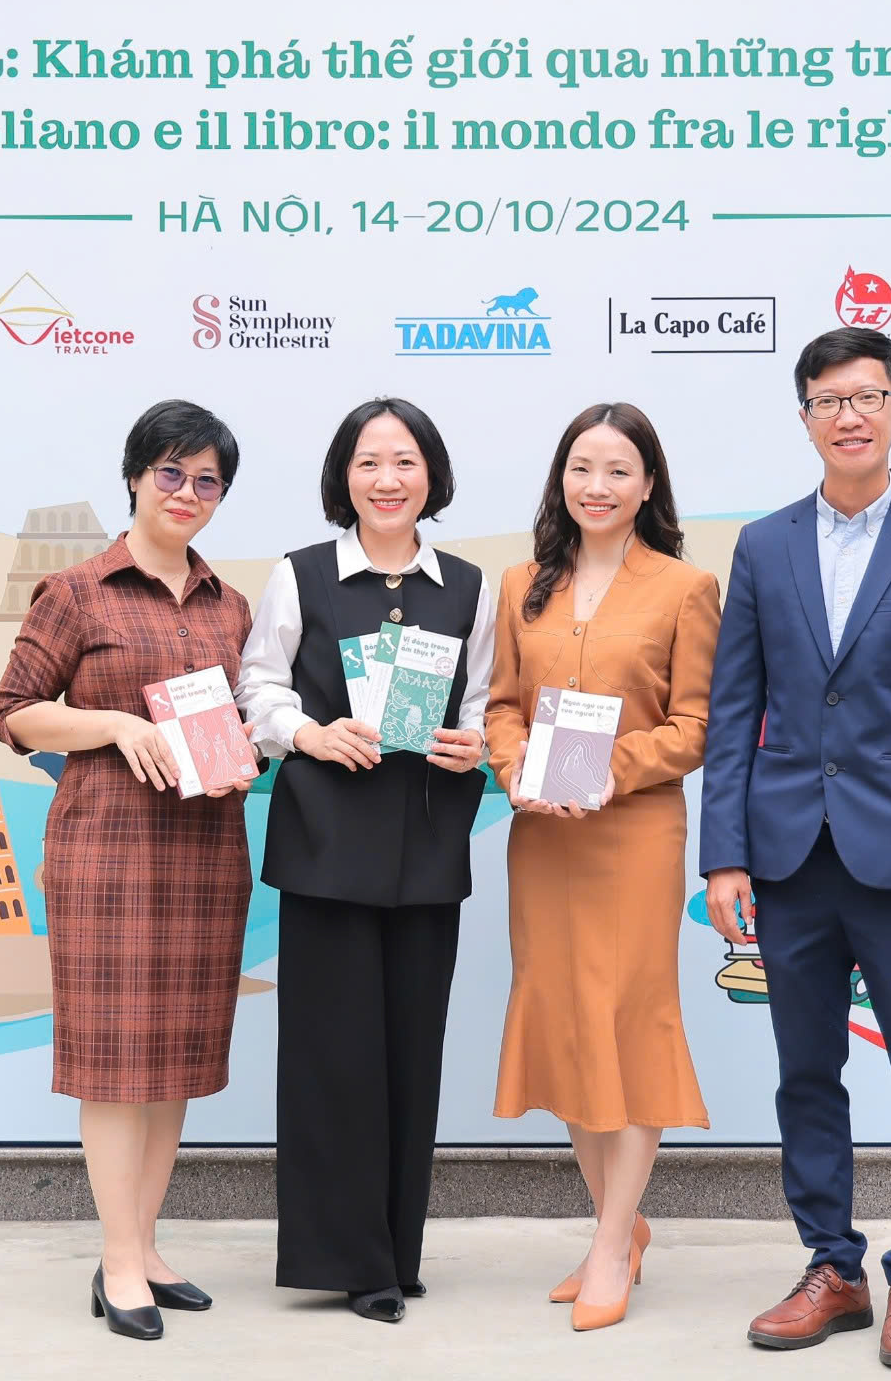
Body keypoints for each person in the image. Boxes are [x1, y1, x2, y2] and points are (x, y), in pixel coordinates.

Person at [700, 328, 891, 1370]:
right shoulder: (763, 545)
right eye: (829, 400)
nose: (850, 416)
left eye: (868, 397)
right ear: (805, 420)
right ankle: (833, 1267)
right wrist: (724, 855)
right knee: (805, 1074)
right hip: (788, 858)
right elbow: (733, 710)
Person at [0, 401, 258, 1343]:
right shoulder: (77, 592)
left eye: (207, 481)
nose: (187, 493)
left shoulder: (231, 604)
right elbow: (13, 712)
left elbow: (238, 715)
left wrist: (247, 747)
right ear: (137, 477)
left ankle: (145, 1245)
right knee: (113, 1065)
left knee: (175, 1059)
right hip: (107, 851)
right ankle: (115, 1262)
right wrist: (113, 724)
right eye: (170, 474)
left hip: (206, 850)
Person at [235, 398, 492, 1323]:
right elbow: (256, 685)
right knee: (331, 1058)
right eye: (369, 462)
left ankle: (395, 1251)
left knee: (412, 1057)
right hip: (326, 849)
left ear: (432, 475)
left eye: (406, 461)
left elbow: (484, 698)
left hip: (426, 850)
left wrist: (474, 741)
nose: (388, 479)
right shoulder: (301, 574)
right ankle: (350, 1260)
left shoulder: (469, 585)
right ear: (343, 476)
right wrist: (308, 731)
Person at [484, 403, 721, 1333]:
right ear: (561, 478)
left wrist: (602, 771)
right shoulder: (521, 585)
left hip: (633, 835)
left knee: (629, 1022)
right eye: (582, 467)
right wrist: (516, 768)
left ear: (648, 484)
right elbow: (503, 705)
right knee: (564, 1021)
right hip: (544, 838)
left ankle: (612, 1243)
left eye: (619, 470)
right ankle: (618, 1225)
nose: (597, 486)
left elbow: (695, 727)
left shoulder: (685, 588)